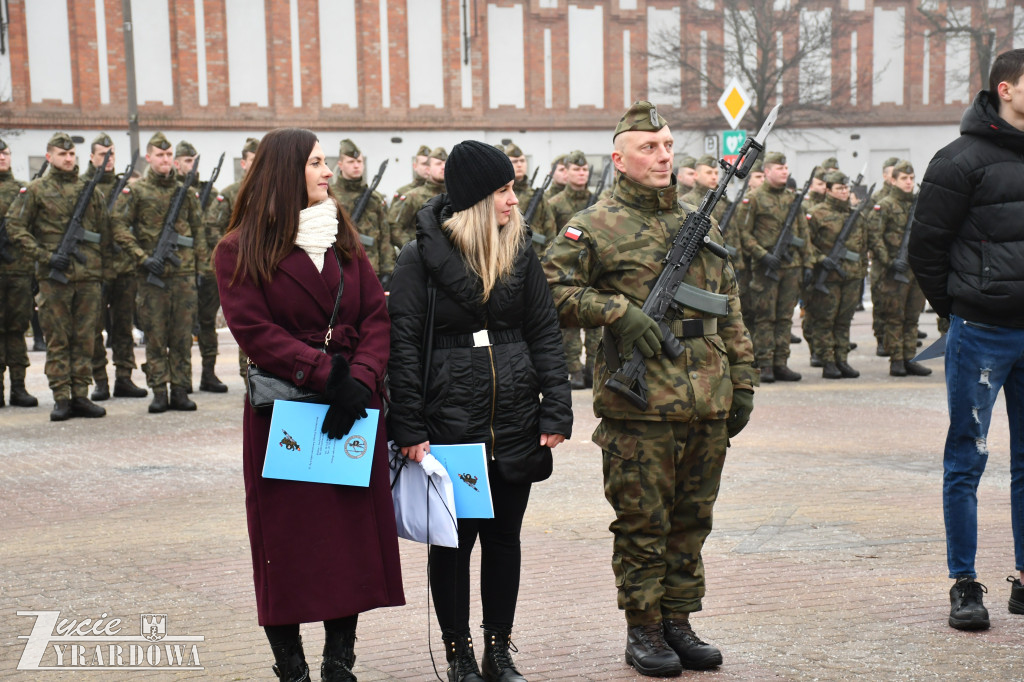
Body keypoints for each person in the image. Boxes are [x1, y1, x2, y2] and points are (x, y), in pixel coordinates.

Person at [543, 102, 756, 676]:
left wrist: (743, 380)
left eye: (666, 146)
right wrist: (616, 311)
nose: (662, 156)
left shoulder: (702, 224)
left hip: (706, 397)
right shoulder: (594, 224)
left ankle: (680, 621)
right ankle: (644, 629)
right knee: (643, 524)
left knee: (692, 520)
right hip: (640, 406)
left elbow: (729, 308)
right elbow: (551, 290)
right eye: (648, 148)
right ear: (619, 158)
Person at [214, 127, 403, 681]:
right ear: (285, 171)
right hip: (287, 413)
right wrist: (328, 374)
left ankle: (339, 659)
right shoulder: (239, 248)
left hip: (350, 407)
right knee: (289, 543)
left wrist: (361, 380)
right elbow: (254, 331)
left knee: (349, 538)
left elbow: (375, 318)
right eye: (317, 163)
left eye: (327, 163)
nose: (328, 172)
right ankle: (290, 664)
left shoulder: (342, 237)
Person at [388, 139, 572, 682]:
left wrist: (555, 409)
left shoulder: (519, 249)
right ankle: (459, 653)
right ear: (474, 199)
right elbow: (402, 347)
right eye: (503, 190)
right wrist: (410, 425)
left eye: (513, 188)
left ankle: (498, 650)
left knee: (504, 539)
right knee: (455, 542)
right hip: (450, 424)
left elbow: (544, 330)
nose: (514, 200)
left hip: (515, 418)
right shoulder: (419, 257)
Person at [908, 48, 1024, 632]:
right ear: (1006, 88)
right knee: (968, 458)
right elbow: (924, 248)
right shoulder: (958, 160)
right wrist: (958, 308)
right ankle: (965, 583)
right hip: (981, 333)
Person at [6, 132, 111, 421]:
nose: (68, 158)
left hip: (87, 278)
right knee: (58, 339)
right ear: (49, 156)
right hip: (54, 279)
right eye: (61, 154)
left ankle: (80, 395)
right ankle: (61, 397)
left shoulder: (90, 191)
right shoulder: (36, 190)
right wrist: (45, 256)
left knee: (86, 338)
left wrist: (101, 270)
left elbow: (105, 233)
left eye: (71, 154)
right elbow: (15, 228)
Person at [111, 132, 208, 413]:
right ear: (149, 158)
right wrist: (142, 258)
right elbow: (117, 226)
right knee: (154, 336)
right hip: (152, 276)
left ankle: (179, 389)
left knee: (181, 336)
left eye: (169, 155)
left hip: (183, 274)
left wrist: (203, 268)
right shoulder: (137, 192)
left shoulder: (186, 192)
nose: (165, 160)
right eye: (160, 155)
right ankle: (159, 391)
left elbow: (199, 231)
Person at [737, 151, 812, 382]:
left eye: (786, 168)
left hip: (791, 267)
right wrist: (762, 255)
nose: (784, 171)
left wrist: (808, 263)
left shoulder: (792, 199)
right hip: (765, 267)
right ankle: (765, 364)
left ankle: (781, 363)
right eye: (779, 168)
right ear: (767, 171)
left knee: (784, 318)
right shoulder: (754, 198)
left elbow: (803, 233)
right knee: (765, 318)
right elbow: (744, 234)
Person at [84, 133, 148, 402]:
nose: (107, 159)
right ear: (92, 157)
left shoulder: (126, 187)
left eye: (111, 154)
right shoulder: (84, 186)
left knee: (123, 327)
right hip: (93, 269)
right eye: (102, 154)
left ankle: (124, 377)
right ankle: (99, 380)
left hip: (123, 267)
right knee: (94, 328)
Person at [802, 171, 868, 379]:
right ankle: (828, 361)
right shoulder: (815, 214)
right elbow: (806, 244)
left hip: (851, 276)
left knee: (844, 321)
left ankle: (842, 359)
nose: (844, 192)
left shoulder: (856, 215)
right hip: (827, 278)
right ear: (829, 190)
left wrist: (862, 271)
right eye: (839, 188)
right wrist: (821, 259)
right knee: (825, 321)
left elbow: (863, 246)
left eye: (846, 188)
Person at [205, 137, 260, 382]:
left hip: (270, 267)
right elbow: (214, 229)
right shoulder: (230, 194)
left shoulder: (280, 192)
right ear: (244, 163)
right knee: (246, 321)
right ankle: (249, 376)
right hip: (242, 268)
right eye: (253, 160)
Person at [871, 160, 931, 378]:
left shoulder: (919, 204)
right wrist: (889, 261)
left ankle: (909, 357)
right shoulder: (885, 205)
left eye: (912, 178)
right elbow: (874, 236)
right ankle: (896, 360)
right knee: (895, 318)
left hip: (914, 271)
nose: (909, 182)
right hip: (894, 272)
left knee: (912, 317)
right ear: (893, 180)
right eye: (904, 179)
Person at [548, 150, 598, 389]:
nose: (581, 173)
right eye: (577, 169)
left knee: (596, 322)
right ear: (566, 172)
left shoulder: (598, 201)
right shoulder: (555, 204)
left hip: (593, 269)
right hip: (567, 270)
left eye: (585, 169)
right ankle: (575, 371)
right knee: (569, 325)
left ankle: (594, 370)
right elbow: (550, 238)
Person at [0, 136, 37, 408]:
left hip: (19, 271)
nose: (2, 158)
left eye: (6, 154)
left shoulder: (23, 191)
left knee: (17, 329)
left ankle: (19, 387)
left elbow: (33, 228)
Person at [330, 138, 394, 286]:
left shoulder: (375, 198)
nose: (356, 166)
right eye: (351, 162)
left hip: (372, 268)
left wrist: (387, 270)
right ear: (340, 165)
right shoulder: (331, 196)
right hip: (340, 266)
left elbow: (385, 236)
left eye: (359, 162)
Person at [389, 146, 446, 249]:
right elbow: (394, 225)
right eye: (438, 164)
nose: (443, 167)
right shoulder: (413, 196)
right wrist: (414, 248)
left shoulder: (454, 195)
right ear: (428, 169)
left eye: (445, 163)